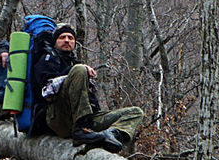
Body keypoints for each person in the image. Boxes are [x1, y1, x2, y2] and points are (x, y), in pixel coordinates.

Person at [32, 23, 143, 153]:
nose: (67, 40)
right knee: (79, 70)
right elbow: (47, 90)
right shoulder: (46, 60)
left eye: (70, 38)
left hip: (86, 119)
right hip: (58, 118)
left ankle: (111, 135)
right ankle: (81, 131)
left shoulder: (75, 63)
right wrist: (76, 72)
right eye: (62, 37)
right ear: (55, 41)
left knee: (135, 112)